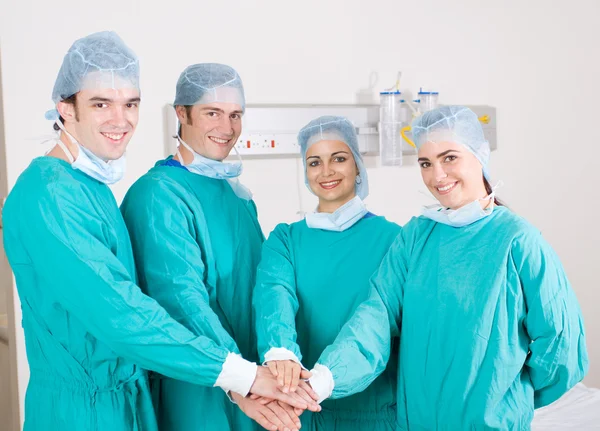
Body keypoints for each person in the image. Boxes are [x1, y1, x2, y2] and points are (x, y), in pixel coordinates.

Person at [2, 32, 311, 431]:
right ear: (65, 107)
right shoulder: (50, 194)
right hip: (84, 410)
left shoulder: (91, 189)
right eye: (101, 104)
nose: (120, 119)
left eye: (130, 104)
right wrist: (243, 378)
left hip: (129, 399)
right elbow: (121, 312)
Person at [308, 106, 589, 429]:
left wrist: (508, 396)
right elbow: (376, 318)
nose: (437, 175)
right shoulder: (416, 237)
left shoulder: (518, 241)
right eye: (426, 163)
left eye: (449, 158)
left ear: (479, 156)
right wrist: (325, 378)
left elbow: (561, 348)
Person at [120, 63, 319, 431]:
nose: (227, 128)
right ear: (182, 114)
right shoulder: (158, 195)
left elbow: (261, 286)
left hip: (255, 381)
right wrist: (239, 380)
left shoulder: (236, 195)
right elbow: (181, 301)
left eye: (235, 115)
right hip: (199, 384)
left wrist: (274, 364)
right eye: (212, 113)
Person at [253, 115, 401, 430]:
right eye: (314, 162)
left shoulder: (394, 239)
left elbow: (381, 322)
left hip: (374, 412)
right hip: (298, 408)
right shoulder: (286, 239)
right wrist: (280, 354)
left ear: (358, 165)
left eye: (339, 158)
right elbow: (273, 296)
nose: (327, 171)